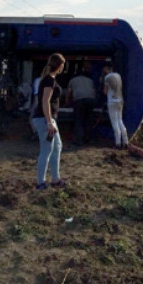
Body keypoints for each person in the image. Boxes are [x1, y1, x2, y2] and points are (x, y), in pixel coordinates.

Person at [30, 53, 66, 190]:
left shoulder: (49, 79)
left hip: (47, 118)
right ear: (60, 65)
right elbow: (45, 102)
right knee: (47, 149)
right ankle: (40, 182)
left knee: (57, 147)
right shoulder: (49, 81)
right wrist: (49, 122)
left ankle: (55, 179)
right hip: (44, 119)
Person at [66, 62, 96, 146]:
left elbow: (69, 93)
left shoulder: (72, 80)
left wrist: (67, 103)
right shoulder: (90, 80)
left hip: (79, 101)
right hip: (91, 100)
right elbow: (94, 91)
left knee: (79, 120)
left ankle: (79, 140)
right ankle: (89, 139)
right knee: (88, 120)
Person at [103, 62, 129, 150]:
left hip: (112, 101)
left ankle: (117, 143)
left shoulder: (107, 77)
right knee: (120, 120)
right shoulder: (118, 76)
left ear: (107, 68)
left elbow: (105, 92)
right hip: (120, 100)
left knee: (114, 122)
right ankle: (125, 142)